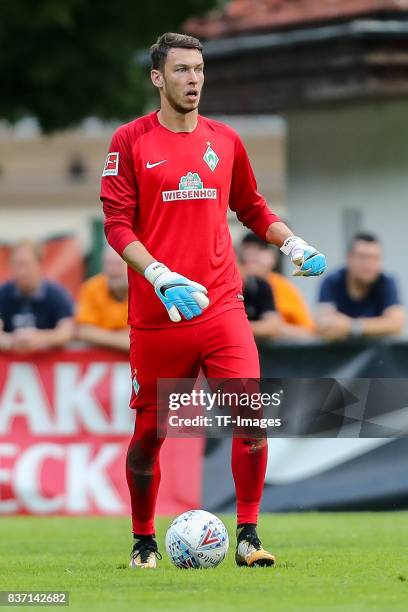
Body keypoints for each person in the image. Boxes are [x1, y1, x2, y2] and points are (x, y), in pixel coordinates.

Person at [100, 32, 326, 569]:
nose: (193, 79)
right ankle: (143, 542)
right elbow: (116, 224)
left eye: (198, 69)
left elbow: (251, 206)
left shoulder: (224, 140)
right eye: (180, 70)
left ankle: (248, 536)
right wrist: (157, 274)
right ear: (158, 78)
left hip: (222, 306)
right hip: (160, 314)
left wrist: (291, 242)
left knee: (250, 416)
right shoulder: (129, 140)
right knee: (150, 435)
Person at [317, 233, 404, 341]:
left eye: (375, 258)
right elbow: (324, 324)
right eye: (363, 257)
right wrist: (377, 326)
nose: (369, 264)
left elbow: (396, 324)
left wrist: (352, 326)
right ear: (349, 258)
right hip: (338, 354)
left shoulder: (386, 282)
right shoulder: (332, 281)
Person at [0, 240, 74, 352]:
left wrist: (40, 338)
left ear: (39, 264)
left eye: (25, 264)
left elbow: (66, 331)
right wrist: (11, 341)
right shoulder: (3, 293)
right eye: (16, 264)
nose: (21, 271)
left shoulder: (56, 294)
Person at [239, 233, 316, 338]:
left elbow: (308, 332)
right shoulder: (232, 284)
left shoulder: (283, 288)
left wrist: (276, 329)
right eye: (247, 248)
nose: (252, 254)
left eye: (260, 249)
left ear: (273, 257)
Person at [76, 246, 129, 352]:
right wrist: (124, 340)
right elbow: (84, 331)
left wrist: (101, 336)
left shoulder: (144, 290)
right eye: (108, 264)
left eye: (118, 264)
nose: (112, 270)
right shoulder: (92, 288)